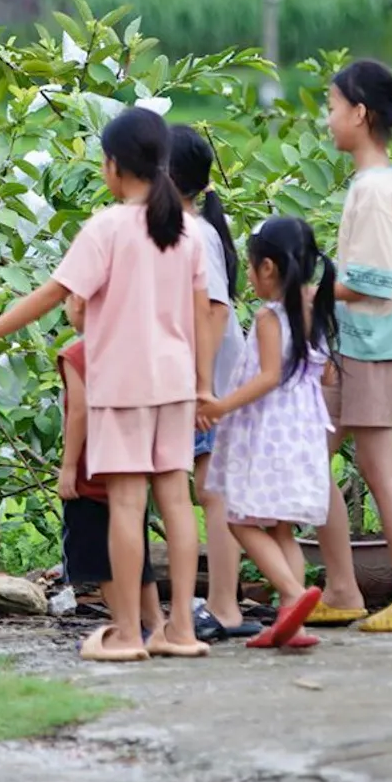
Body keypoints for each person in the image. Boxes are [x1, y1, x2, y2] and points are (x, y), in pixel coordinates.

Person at [0, 107, 214, 663]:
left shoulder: (108, 227)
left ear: (113, 166)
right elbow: (202, 311)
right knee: (177, 503)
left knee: (128, 504)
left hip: (123, 385)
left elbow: (51, 294)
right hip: (176, 381)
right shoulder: (185, 231)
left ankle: (128, 634)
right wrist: (204, 384)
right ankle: (181, 630)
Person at [311, 59, 392, 633]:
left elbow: (373, 281)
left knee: (378, 468)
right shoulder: (373, 184)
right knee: (312, 455)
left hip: (375, 344)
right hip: (362, 343)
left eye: (332, 107)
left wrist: (307, 293)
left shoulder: (374, 189)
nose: (328, 119)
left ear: (360, 114)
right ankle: (342, 588)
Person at [198, 217, 335, 650]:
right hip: (304, 431)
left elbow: (270, 375)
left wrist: (221, 406)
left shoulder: (269, 316)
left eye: (251, 267)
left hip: (270, 432)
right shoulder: (315, 309)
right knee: (281, 530)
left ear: (269, 268)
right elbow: (327, 374)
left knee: (239, 519)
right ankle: (295, 624)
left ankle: (293, 595)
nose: (250, 277)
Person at [168, 125, 258, 642]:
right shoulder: (187, 228)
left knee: (214, 491)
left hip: (210, 383)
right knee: (210, 488)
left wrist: (202, 384)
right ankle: (224, 601)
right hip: (203, 380)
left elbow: (216, 309)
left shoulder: (193, 233)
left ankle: (225, 604)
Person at [58, 292, 164, 644]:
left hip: (91, 473)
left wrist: (68, 467)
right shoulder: (130, 350)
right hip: (129, 468)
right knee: (139, 560)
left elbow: (78, 412)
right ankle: (156, 626)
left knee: (101, 563)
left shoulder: (77, 354)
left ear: (80, 303)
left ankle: (124, 627)